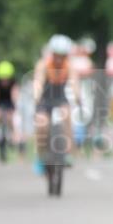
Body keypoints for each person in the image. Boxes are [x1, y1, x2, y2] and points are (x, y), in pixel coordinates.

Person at [32, 35, 81, 170]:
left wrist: (78, 98)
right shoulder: (43, 65)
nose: (59, 58)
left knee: (67, 116)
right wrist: (36, 97)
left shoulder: (69, 67)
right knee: (42, 124)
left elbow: (75, 84)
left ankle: (67, 153)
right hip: (44, 99)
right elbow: (38, 82)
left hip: (60, 98)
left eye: (62, 55)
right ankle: (41, 156)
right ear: (52, 53)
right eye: (57, 55)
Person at [0, 61, 19, 161]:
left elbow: (15, 96)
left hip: (9, 104)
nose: (4, 80)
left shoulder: (14, 83)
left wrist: (14, 107)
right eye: (2, 78)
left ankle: (13, 139)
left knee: (11, 119)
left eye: (6, 78)